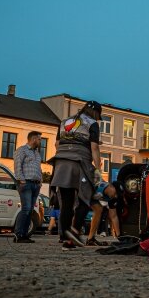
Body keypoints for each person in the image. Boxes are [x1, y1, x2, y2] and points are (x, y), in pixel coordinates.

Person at [48, 101, 102, 251]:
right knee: (86, 198)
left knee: (66, 202)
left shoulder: (65, 121)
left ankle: (64, 236)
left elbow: (57, 144)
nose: (98, 119)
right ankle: (74, 233)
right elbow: (95, 148)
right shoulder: (92, 124)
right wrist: (97, 170)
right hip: (79, 163)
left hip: (61, 163)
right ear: (96, 113)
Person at [13, 131, 43, 243]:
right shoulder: (22, 150)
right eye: (39, 139)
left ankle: (24, 235)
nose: (40, 141)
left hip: (35, 184)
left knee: (30, 210)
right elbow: (17, 165)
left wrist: (40, 181)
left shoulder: (37, 153)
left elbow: (38, 168)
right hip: (26, 183)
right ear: (34, 139)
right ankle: (18, 234)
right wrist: (22, 180)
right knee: (25, 209)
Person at [84, 181, 122, 245]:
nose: (115, 196)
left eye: (117, 195)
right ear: (110, 186)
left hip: (94, 197)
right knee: (81, 211)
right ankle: (70, 235)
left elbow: (114, 216)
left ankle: (90, 239)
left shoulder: (113, 198)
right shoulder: (99, 187)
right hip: (85, 191)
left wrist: (119, 237)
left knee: (98, 209)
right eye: (115, 193)